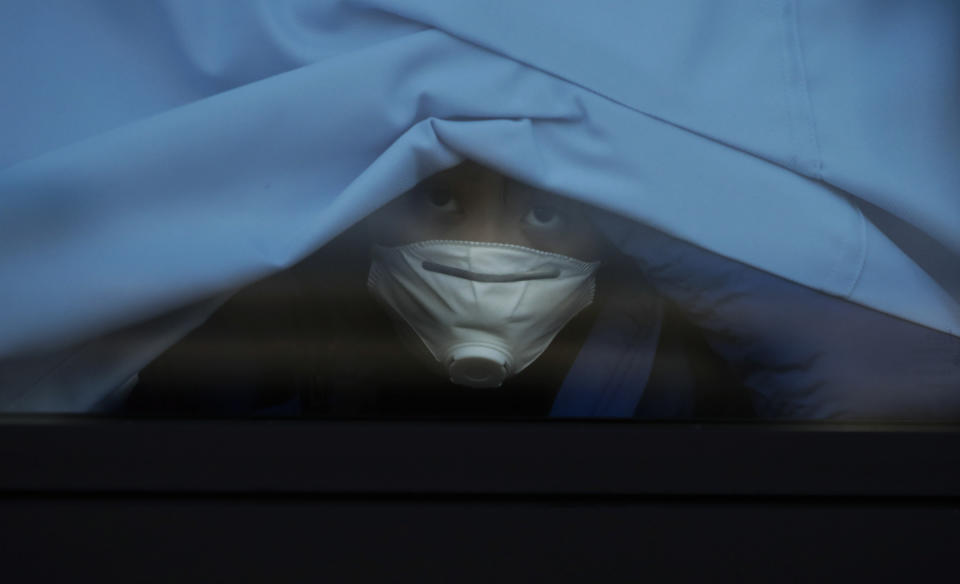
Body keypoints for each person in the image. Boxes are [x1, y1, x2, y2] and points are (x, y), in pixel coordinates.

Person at [122, 161, 752, 418]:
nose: (483, 253)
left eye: (545, 214)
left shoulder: (679, 386)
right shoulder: (252, 350)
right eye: (440, 196)